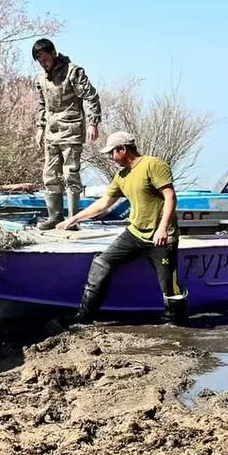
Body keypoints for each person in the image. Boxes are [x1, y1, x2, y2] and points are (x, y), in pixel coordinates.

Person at [57, 131, 188, 326]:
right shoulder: (121, 176)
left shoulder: (153, 165)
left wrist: (163, 228)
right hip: (135, 233)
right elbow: (103, 204)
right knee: (102, 263)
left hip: (161, 236)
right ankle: (84, 317)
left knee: (169, 286)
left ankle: (177, 325)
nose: (111, 157)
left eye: (112, 153)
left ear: (122, 149)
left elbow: (170, 197)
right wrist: (73, 219)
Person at [32, 38, 102, 230]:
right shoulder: (41, 78)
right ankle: (54, 216)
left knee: (70, 173)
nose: (44, 64)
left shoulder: (73, 72)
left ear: (54, 54)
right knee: (50, 175)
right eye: (40, 62)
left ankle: (72, 219)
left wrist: (93, 123)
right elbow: (42, 105)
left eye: (45, 59)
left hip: (71, 130)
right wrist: (40, 127)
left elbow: (90, 96)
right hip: (51, 132)